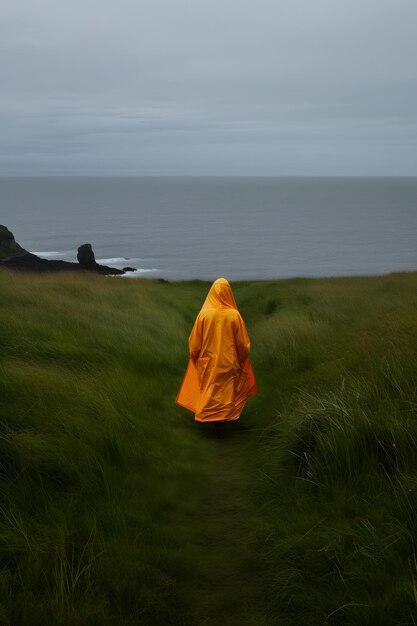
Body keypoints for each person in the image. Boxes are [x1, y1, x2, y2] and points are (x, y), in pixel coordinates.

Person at [176, 277, 258, 423]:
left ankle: (211, 419)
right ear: (229, 293)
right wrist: (241, 359)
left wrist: (195, 357)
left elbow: (194, 344)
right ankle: (222, 420)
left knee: (210, 391)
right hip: (229, 362)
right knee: (226, 392)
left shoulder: (204, 315)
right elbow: (243, 344)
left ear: (211, 293)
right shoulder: (234, 315)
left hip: (208, 363)